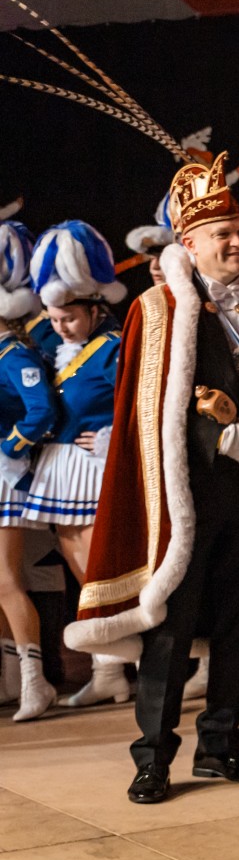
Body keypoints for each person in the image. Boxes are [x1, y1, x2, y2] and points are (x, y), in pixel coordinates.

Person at [66, 153, 239, 804]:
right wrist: (221, 438)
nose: (236, 243)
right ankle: (152, 759)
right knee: (171, 632)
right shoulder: (156, 310)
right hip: (187, 498)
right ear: (189, 244)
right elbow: (148, 413)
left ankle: (221, 746)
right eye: (221, 233)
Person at [23, 222, 127, 709]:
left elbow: (140, 403)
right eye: (54, 318)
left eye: (68, 318)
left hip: (94, 465)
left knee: (101, 569)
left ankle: (135, 663)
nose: (60, 326)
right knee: (80, 570)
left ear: (94, 309)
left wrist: (112, 437)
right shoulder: (55, 343)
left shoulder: (114, 347)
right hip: (62, 466)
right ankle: (108, 669)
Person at [0, 221, 59, 721]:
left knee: (7, 581)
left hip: (6, 474)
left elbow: (41, 410)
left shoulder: (15, 353)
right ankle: (13, 680)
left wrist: (9, 446)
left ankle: (36, 682)